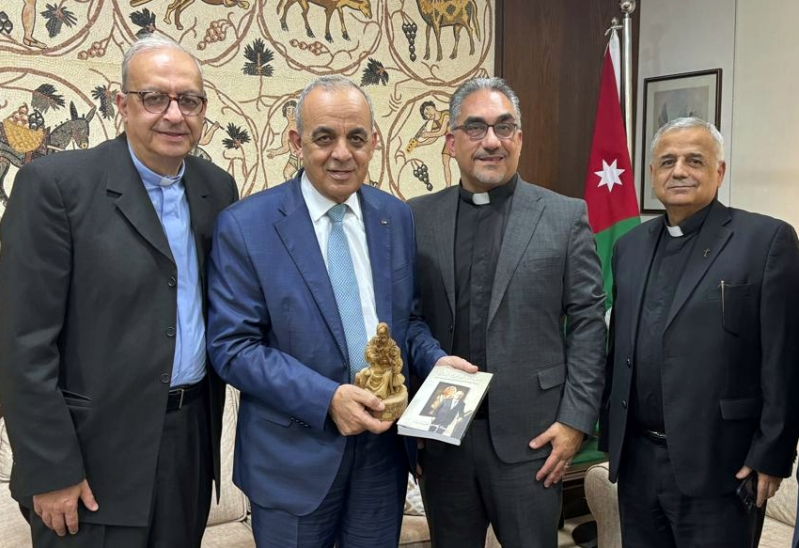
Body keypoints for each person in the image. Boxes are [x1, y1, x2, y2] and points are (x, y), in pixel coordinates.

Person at [205, 75, 475, 548]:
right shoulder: (246, 226)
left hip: (382, 456)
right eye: (324, 137)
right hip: (292, 460)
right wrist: (327, 398)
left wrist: (434, 360)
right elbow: (233, 348)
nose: (342, 154)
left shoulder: (395, 217)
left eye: (356, 138)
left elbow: (405, 322)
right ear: (297, 142)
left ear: (374, 142)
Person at [0, 34, 238, 548]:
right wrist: (50, 468)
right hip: (90, 459)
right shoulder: (55, 186)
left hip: (188, 443)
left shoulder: (217, 188)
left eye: (189, 100)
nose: (174, 114)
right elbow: (21, 344)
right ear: (121, 105)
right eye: (155, 98)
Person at [409, 77, 607, 548]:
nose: (491, 141)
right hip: (443, 437)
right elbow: (406, 318)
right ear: (451, 141)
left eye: (504, 127)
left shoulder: (563, 216)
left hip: (533, 438)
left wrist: (575, 422)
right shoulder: (415, 217)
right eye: (475, 128)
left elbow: (588, 324)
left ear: (519, 138)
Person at [599, 117, 799, 548]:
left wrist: (773, 453)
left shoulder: (765, 241)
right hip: (638, 461)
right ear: (652, 173)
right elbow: (620, 351)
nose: (679, 171)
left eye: (694, 160)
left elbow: (784, 358)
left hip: (722, 463)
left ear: (719, 171)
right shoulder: (629, 247)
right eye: (667, 161)